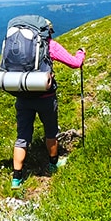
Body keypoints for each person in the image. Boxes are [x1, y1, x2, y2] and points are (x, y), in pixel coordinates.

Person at [10, 22, 85, 189]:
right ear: (47, 31)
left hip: (22, 96)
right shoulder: (49, 45)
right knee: (50, 131)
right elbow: (74, 63)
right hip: (46, 97)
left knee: (22, 137)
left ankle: (16, 178)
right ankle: (53, 164)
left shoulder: (17, 45)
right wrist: (81, 54)